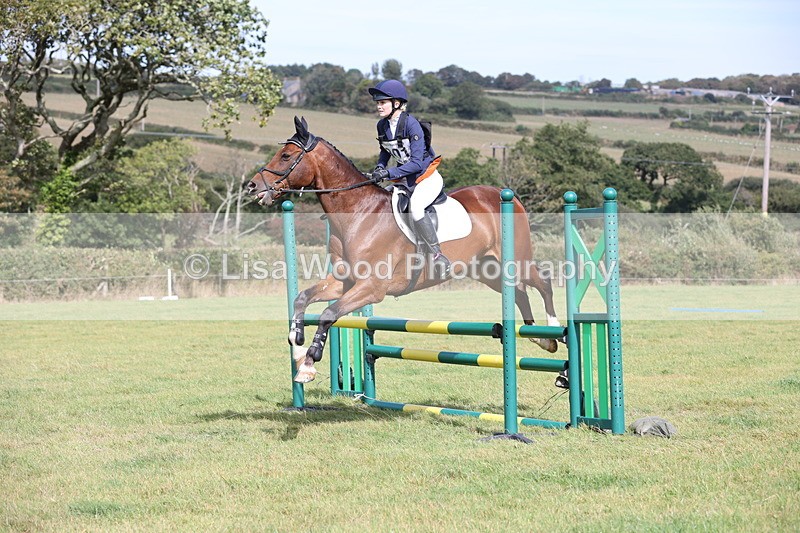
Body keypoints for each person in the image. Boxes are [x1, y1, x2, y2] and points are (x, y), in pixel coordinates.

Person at [368, 79, 450, 277]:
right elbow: (385, 151)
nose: (379, 106)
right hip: (405, 180)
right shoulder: (382, 126)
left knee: (416, 207)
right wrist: (379, 167)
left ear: (396, 103)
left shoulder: (412, 125)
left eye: (383, 102)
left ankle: (438, 255)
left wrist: (388, 173)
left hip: (425, 177)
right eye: (378, 103)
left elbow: (415, 163)